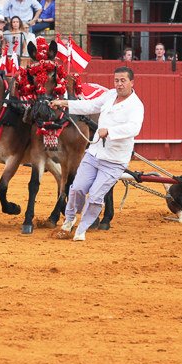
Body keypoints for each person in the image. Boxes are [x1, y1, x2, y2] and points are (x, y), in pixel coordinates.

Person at [49, 66, 144, 241]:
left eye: (123, 80)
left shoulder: (136, 105)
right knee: (76, 188)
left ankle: (81, 230)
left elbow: (134, 128)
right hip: (94, 154)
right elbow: (90, 105)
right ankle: (69, 220)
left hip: (114, 160)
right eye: (116, 80)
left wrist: (110, 131)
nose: (119, 84)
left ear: (132, 82)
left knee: (94, 196)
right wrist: (65, 103)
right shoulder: (109, 95)